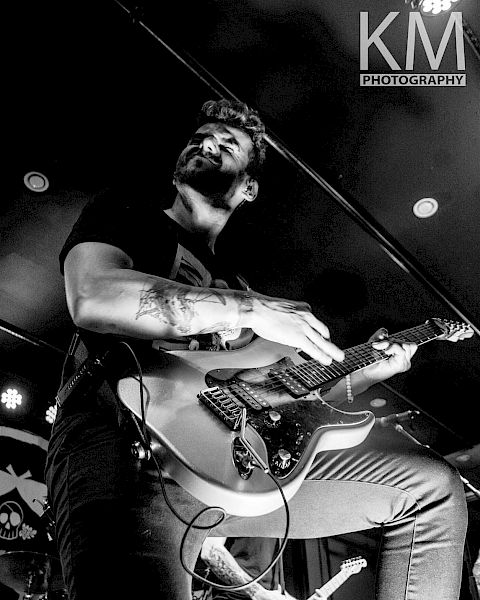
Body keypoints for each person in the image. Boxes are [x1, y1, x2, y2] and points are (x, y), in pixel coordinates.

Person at [45, 98, 468, 600]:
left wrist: (372, 370)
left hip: (237, 465)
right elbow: (93, 297)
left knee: (432, 490)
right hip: (124, 440)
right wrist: (248, 310)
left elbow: (280, 391)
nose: (206, 143)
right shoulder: (126, 214)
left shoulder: (238, 283)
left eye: (227, 144)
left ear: (249, 187)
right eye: (199, 137)